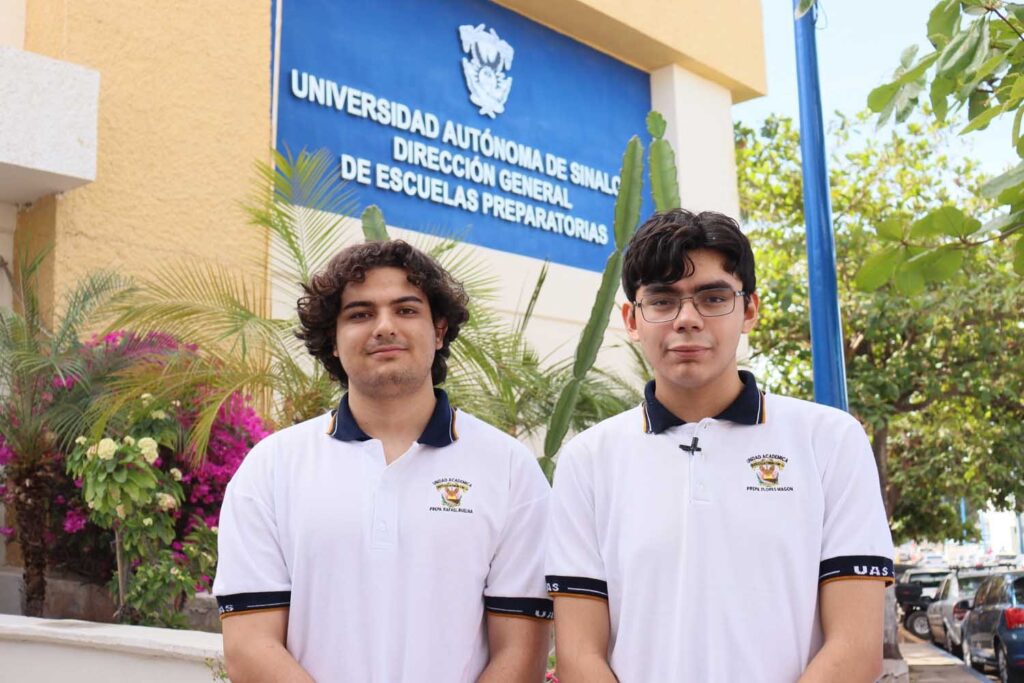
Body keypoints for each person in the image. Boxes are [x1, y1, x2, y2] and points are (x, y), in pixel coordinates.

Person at [546, 209, 894, 682]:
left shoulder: (830, 441)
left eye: (713, 298)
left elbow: (855, 649)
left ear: (749, 310)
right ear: (632, 318)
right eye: (662, 300)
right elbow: (579, 655)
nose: (687, 319)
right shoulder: (587, 460)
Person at [213, 239, 552, 682]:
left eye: (406, 310)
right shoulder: (271, 468)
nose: (385, 327)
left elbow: (521, 653)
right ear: (333, 341)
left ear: (439, 330)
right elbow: (249, 648)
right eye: (360, 314)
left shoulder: (510, 469)